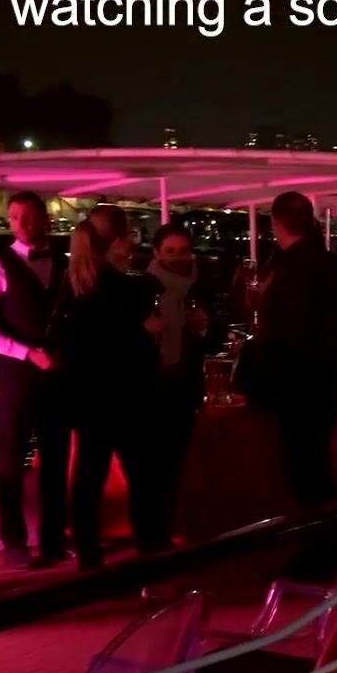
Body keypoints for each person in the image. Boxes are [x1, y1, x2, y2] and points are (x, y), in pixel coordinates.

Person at [237, 191, 337, 579]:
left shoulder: (292, 268)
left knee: (305, 470)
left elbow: (291, 332)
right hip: (323, 380)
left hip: (298, 383)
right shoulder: (327, 263)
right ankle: (324, 546)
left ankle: (319, 551)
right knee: (314, 468)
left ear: (276, 223)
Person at [54, 205, 167, 570]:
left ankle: (89, 556)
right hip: (125, 396)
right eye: (129, 236)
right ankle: (150, 549)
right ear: (118, 241)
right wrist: (147, 333)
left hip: (87, 397)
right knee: (143, 477)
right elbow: (132, 344)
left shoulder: (74, 283)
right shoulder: (125, 289)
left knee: (88, 477)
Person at [0, 191, 70, 569]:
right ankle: (13, 542)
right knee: (10, 459)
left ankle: (54, 539)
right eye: (13, 217)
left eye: (27, 216)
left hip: (59, 376)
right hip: (18, 376)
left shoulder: (65, 264)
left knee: (56, 459)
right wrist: (24, 352)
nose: (20, 224)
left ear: (45, 219)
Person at [145, 222, 221, 544]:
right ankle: (153, 536)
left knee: (177, 463)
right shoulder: (142, 290)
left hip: (184, 389)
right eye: (170, 251)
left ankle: (171, 530)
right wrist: (145, 330)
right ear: (156, 253)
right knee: (151, 467)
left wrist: (203, 328)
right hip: (148, 391)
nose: (178, 258)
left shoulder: (200, 290)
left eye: (184, 251)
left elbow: (216, 340)